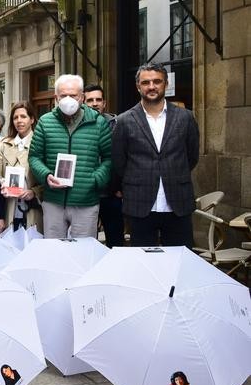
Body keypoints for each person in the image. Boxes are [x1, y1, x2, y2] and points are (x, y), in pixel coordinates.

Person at [112, 63, 199, 248]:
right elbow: (119, 162)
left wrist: (172, 172)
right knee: (143, 265)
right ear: (138, 86)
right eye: (146, 82)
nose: (151, 86)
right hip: (140, 204)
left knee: (179, 263)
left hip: (177, 202)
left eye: (157, 81)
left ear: (166, 84)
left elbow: (191, 156)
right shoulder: (123, 121)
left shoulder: (186, 118)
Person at [28, 74, 112, 239]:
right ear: (56, 97)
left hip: (86, 201)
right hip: (53, 201)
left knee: (82, 253)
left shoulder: (98, 123)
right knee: (54, 253)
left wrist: (94, 180)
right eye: (63, 95)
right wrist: (46, 175)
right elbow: (34, 157)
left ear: (81, 97)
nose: (68, 99)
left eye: (73, 95)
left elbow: (109, 158)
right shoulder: (45, 122)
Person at [85, 84, 123, 247]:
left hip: (111, 194)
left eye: (98, 99)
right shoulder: (75, 126)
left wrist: (121, 187)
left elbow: (124, 157)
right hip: (85, 194)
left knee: (115, 243)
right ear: (82, 102)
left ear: (104, 103)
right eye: (90, 100)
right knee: (87, 243)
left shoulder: (117, 124)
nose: (95, 103)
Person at [0, 101, 43, 232]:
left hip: (34, 208)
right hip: (9, 206)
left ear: (32, 119)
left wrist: (34, 192)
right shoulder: (3, 145)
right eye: (15, 118)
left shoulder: (41, 144)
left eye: (23, 116)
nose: (19, 121)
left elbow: (48, 178)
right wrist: (3, 183)